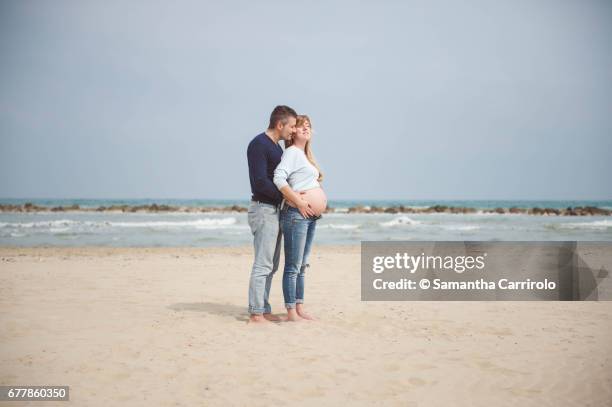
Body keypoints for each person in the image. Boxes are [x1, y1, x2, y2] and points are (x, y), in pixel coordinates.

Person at [246, 105, 314, 324]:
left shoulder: (277, 149)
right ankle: (256, 313)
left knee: (272, 265)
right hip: (263, 209)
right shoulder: (259, 144)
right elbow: (260, 182)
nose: (293, 131)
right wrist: (290, 197)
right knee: (263, 264)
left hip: (274, 210)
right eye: (291, 126)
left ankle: (263, 308)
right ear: (279, 124)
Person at [273, 114, 327, 321]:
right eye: (301, 126)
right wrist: (299, 201)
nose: (306, 129)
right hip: (296, 214)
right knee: (293, 265)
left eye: (309, 126)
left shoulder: (305, 156)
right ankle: (290, 311)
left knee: (302, 265)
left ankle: (299, 306)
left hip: (310, 216)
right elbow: (278, 177)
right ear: (293, 131)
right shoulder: (292, 152)